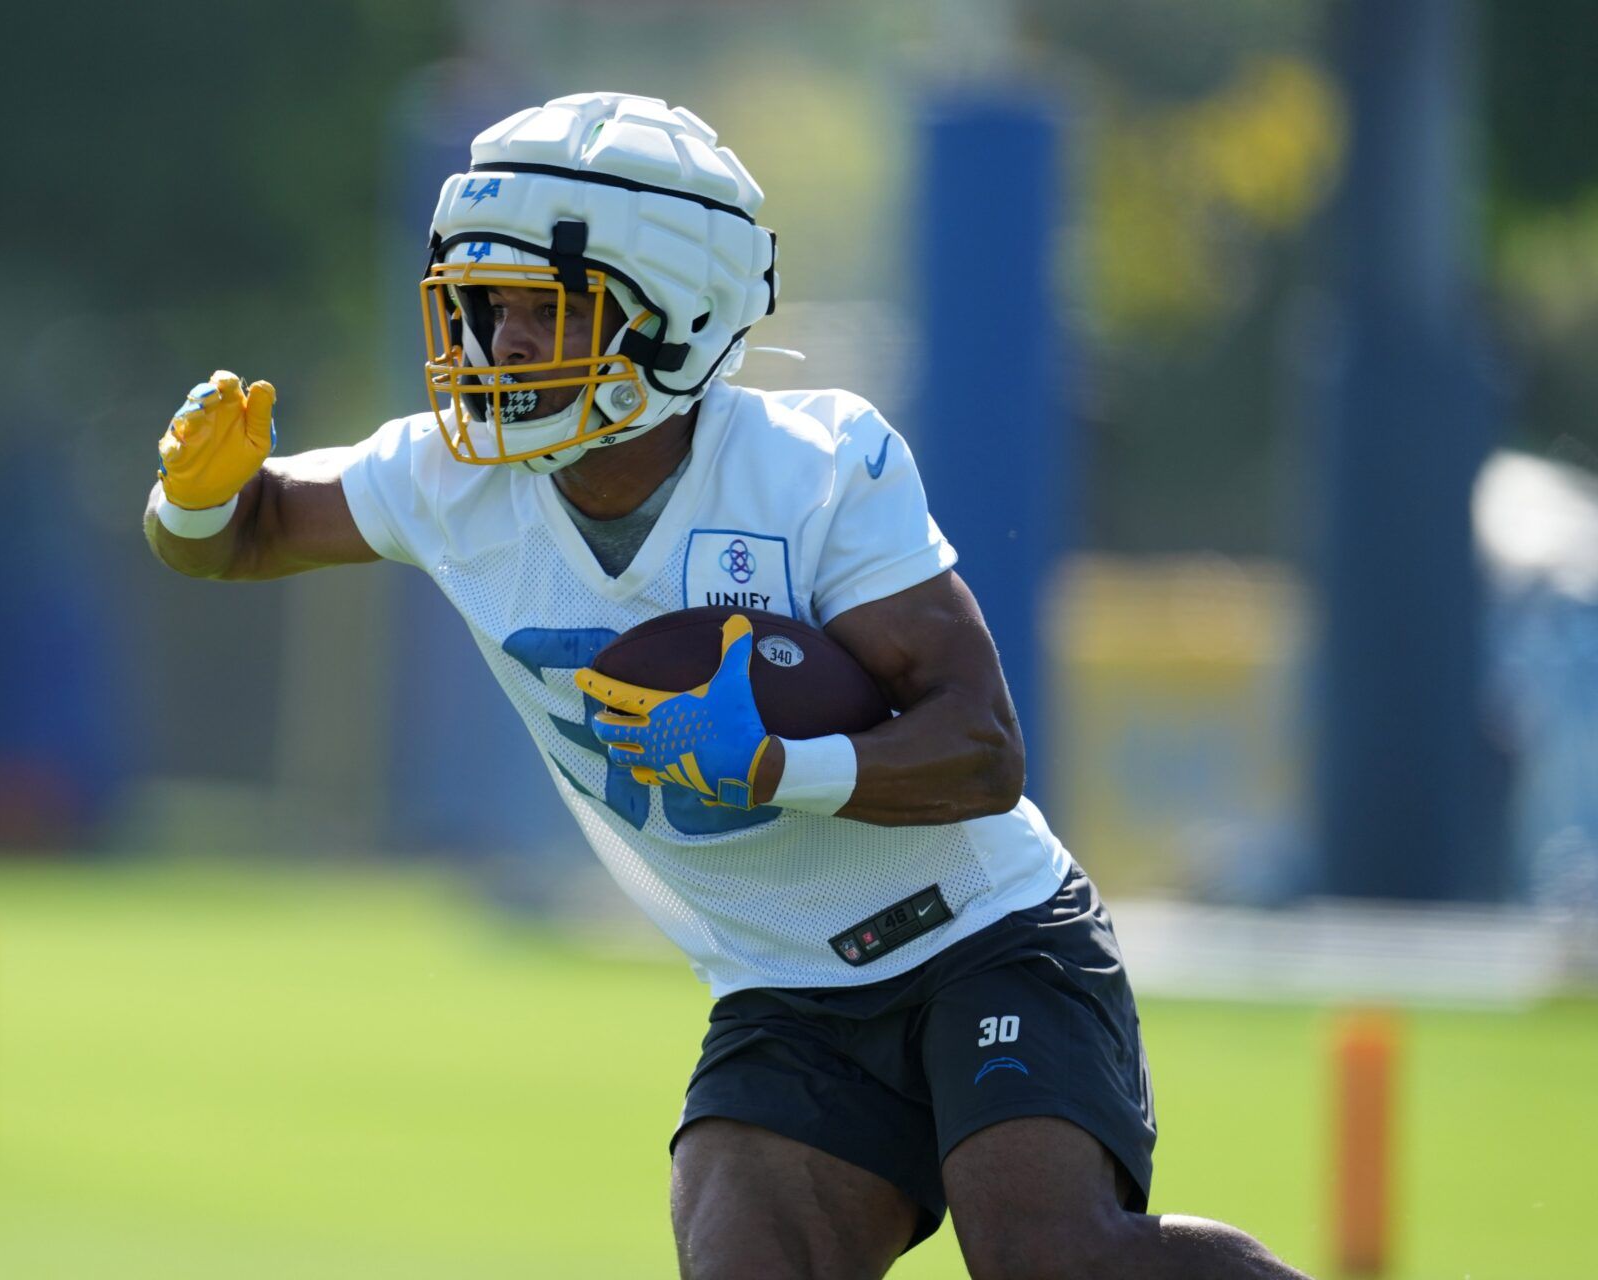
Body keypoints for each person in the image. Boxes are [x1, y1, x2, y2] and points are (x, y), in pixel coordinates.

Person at [144, 91, 1308, 1280]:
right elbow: (244, 530)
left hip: (983, 936)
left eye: (539, 313)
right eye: (481, 309)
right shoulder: (446, 477)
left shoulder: (808, 469)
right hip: (784, 985)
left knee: (1052, 1258)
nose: (495, 348)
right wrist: (190, 494)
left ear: (671, 316)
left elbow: (981, 747)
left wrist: (774, 765)